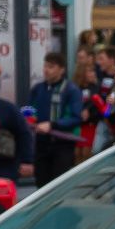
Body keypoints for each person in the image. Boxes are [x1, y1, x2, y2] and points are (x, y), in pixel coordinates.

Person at [26, 52, 84, 187]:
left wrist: (52, 124)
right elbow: (29, 109)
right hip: (41, 143)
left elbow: (76, 118)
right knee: (41, 184)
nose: (46, 70)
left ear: (61, 69)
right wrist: (28, 118)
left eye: (51, 67)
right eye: (45, 66)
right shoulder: (37, 88)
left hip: (62, 144)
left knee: (58, 185)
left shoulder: (71, 90)